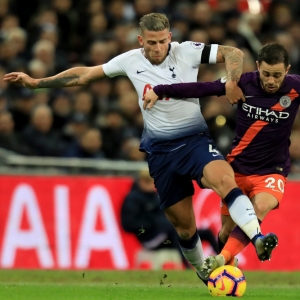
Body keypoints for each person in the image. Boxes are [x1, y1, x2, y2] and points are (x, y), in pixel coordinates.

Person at [3, 13, 276, 281]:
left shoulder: (187, 51)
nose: (158, 48)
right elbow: (85, 75)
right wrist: (37, 83)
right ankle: (206, 277)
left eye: (162, 42)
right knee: (184, 228)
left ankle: (258, 237)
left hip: (194, 141)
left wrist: (230, 80)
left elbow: (233, 52)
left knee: (225, 179)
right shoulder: (129, 60)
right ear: (140, 40)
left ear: (170, 37)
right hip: (160, 153)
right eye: (151, 43)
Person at [143, 42, 295, 279]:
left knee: (260, 208)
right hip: (238, 169)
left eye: (277, 75)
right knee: (226, 231)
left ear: (288, 70)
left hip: (272, 170)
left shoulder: (296, 88)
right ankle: (227, 271)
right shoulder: (243, 83)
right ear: (257, 67)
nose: (271, 81)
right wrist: (162, 89)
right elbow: (201, 88)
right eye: (266, 74)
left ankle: (224, 258)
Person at [121, 168, 219, 268]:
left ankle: (222, 261)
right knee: (173, 230)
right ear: (140, 181)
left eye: (153, 181)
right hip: (149, 238)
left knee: (205, 233)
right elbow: (127, 224)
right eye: (147, 181)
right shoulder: (132, 199)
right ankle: (189, 267)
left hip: (167, 236)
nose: (152, 184)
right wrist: (153, 223)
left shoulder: (155, 196)